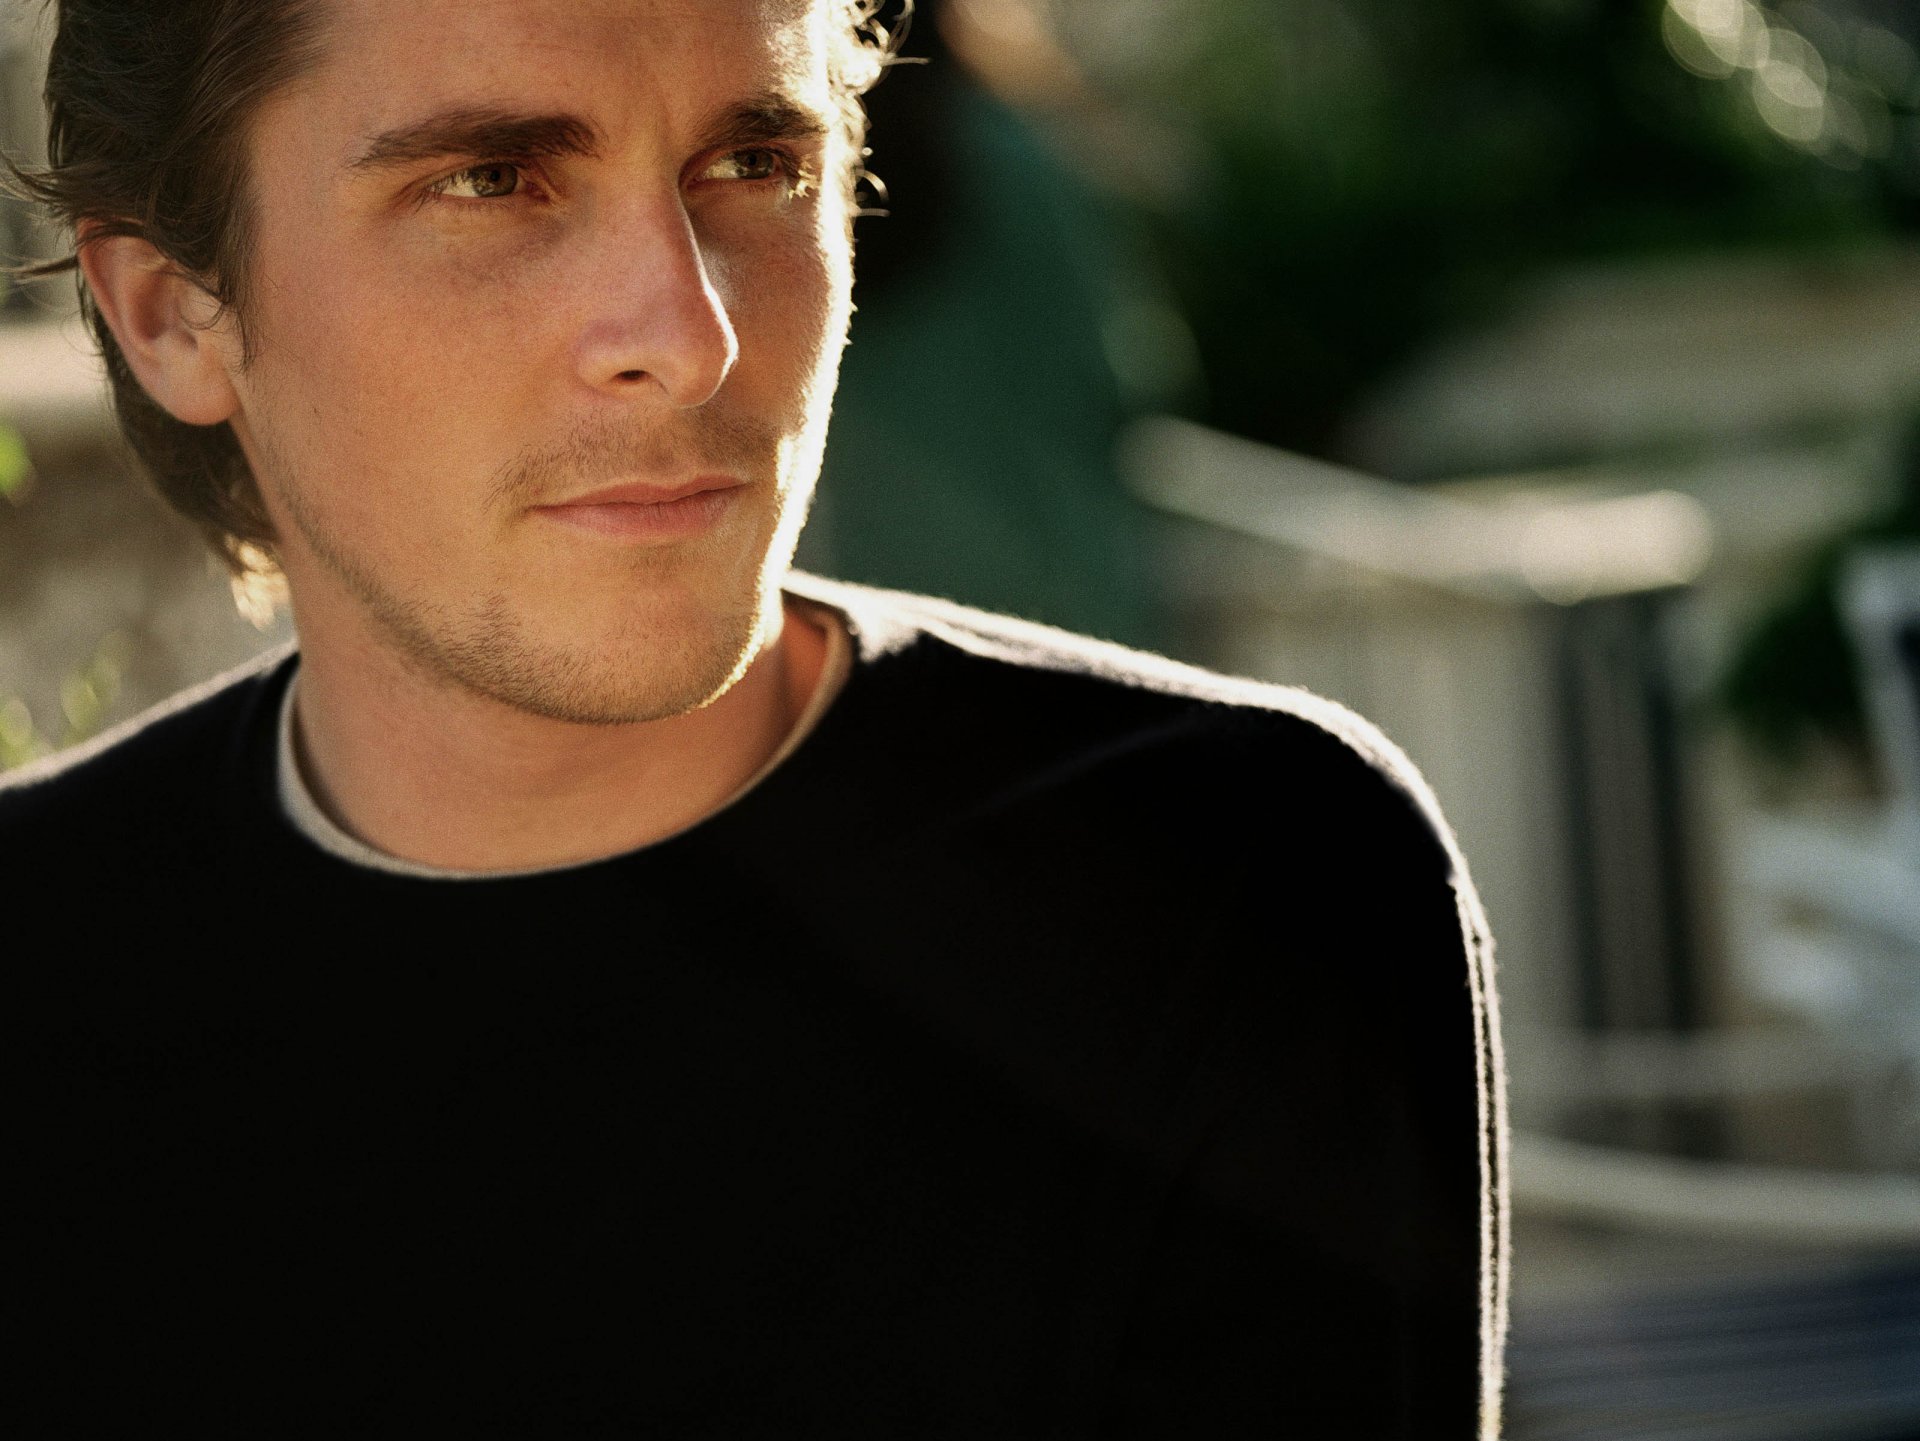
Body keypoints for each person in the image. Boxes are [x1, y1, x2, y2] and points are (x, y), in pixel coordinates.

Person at [3, 1, 1508, 1435]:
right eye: (493, 181)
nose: (690, 332)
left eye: (755, 164)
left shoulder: (1235, 887)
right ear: (170, 313)